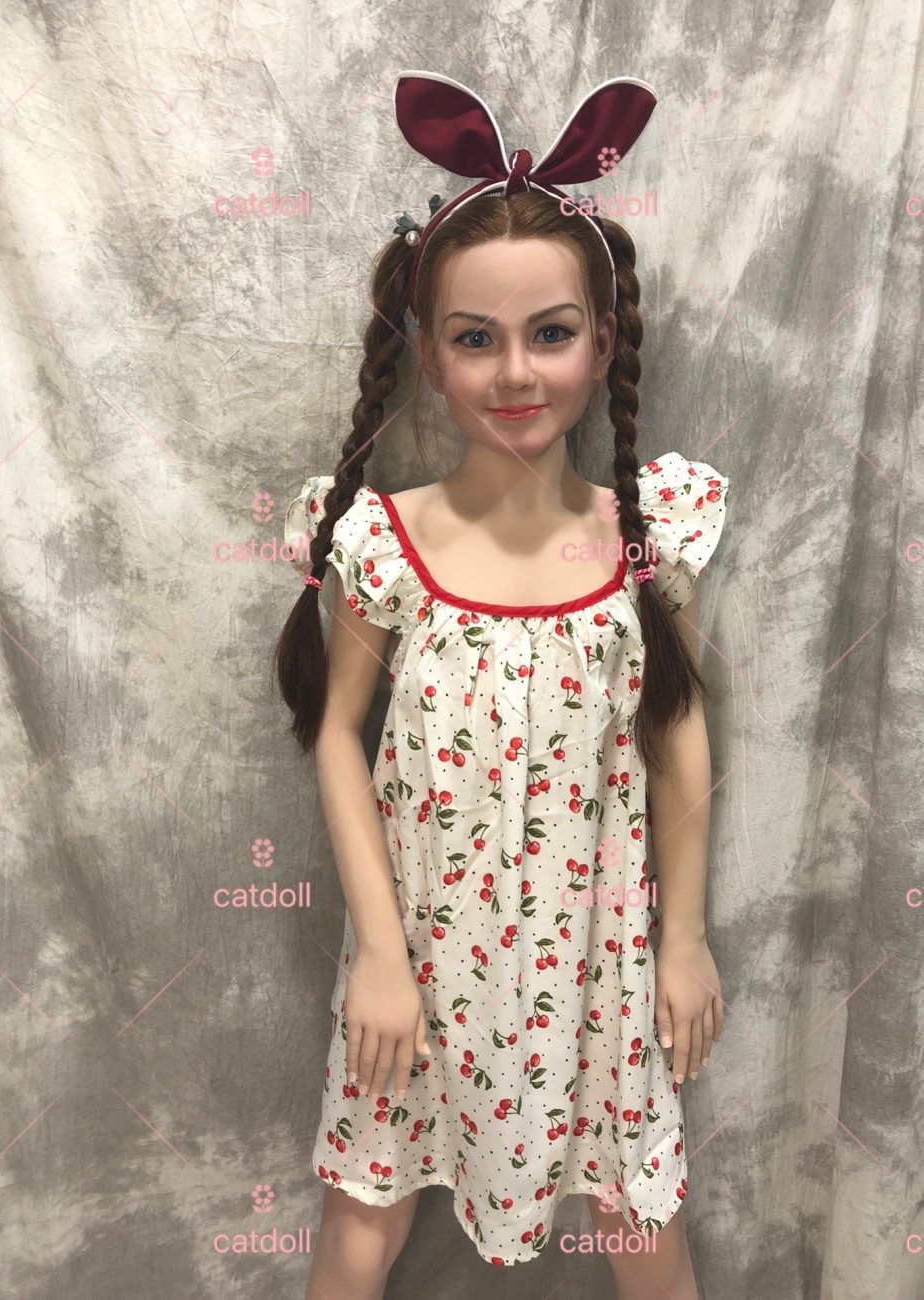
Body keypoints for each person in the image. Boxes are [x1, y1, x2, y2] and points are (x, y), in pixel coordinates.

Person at [275, 70, 729, 1300]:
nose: (516, 372)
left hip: (599, 957)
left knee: (641, 1217)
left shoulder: (647, 538)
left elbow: (679, 728)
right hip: (423, 953)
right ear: (430, 355)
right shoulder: (386, 542)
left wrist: (684, 939)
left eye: (552, 333)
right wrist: (378, 954)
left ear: (604, 342)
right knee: (363, 1209)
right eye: (476, 338)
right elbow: (338, 737)